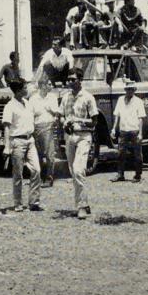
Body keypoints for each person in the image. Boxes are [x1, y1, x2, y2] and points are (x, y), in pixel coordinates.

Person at [62, 68, 98, 220]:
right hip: (70, 137)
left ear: (80, 80)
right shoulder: (65, 97)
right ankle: (85, 202)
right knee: (73, 172)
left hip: (84, 136)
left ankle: (81, 206)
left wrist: (78, 120)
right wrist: (64, 123)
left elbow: (94, 122)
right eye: (68, 79)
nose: (70, 82)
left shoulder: (88, 97)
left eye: (73, 79)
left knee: (78, 170)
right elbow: (61, 116)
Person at [3, 80, 43, 212]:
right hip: (17, 142)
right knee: (18, 174)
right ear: (19, 90)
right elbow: (7, 127)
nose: (27, 90)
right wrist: (7, 146)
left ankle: (34, 202)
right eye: (25, 88)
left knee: (36, 170)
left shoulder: (28, 104)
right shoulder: (10, 106)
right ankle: (18, 203)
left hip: (30, 140)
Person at [110, 80, 146, 183]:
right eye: (127, 89)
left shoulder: (139, 101)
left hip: (134, 130)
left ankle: (138, 175)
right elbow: (117, 115)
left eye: (131, 89)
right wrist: (113, 128)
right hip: (123, 130)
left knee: (137, 154)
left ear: (134, 90)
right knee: (121, 154)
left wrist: (140, 133)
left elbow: (141, 118)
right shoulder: (121, 99)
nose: (129, 91)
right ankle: (120, 174)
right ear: (125, 90)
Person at [29, 78, 59, 187]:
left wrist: (50, 109)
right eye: (49, 84)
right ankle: (40, 177)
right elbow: (30, 114)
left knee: (49, 154)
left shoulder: (52, 98)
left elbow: (56, 112)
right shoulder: (33, 99)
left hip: (48, 127)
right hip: (36, 128)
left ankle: (49, 177)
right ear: (42, 86)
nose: (51, 86)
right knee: (38, 154)